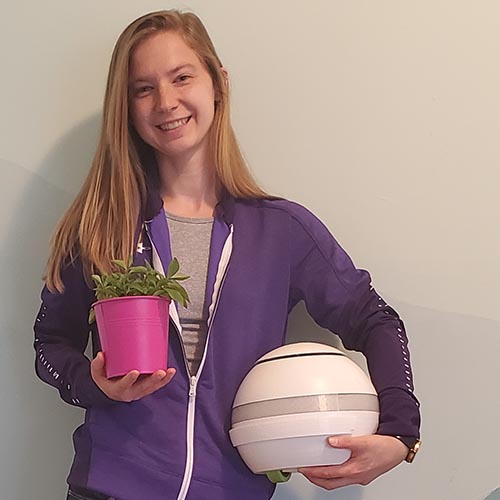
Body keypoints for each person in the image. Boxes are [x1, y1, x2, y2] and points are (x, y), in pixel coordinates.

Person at [33, 9, 421, 500]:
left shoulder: (283, 231)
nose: (166, 102)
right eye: (143, 88)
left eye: (181, 77)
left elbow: (375, 318)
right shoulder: (100, 222)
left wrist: (400, 433)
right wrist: (90, 385)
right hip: (109, 488)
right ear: (126, 107)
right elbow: (49, 342)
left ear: (218, 83)